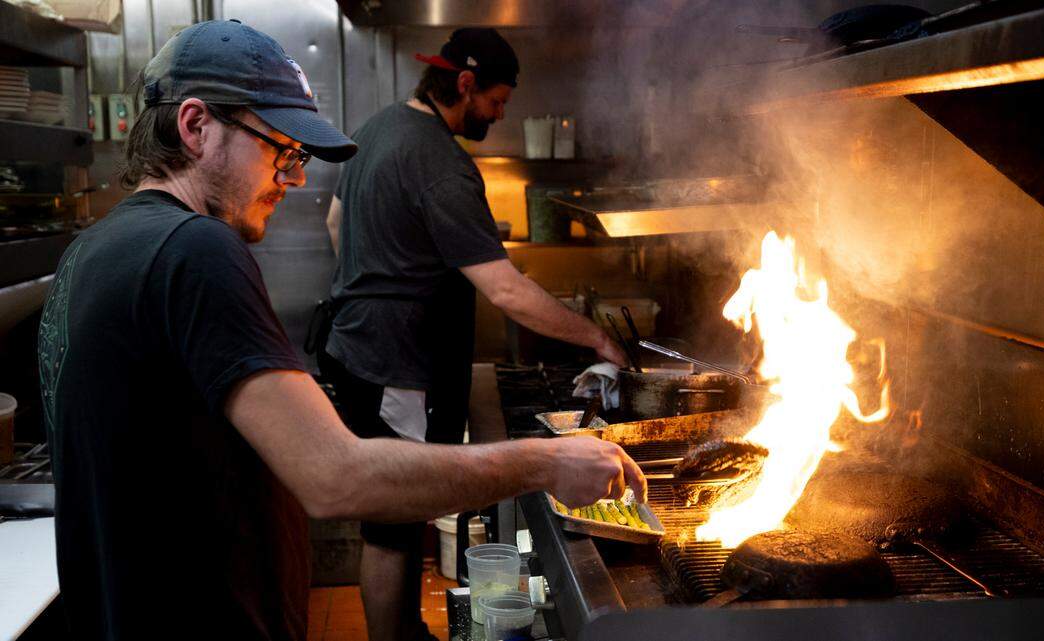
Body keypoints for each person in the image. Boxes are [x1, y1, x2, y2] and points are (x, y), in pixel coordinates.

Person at [37, 20, 646, 640]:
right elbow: (336, 477)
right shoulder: (196, 252)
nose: (296, 177)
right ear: (195, 126)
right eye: (282, 150)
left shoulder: (89, 254)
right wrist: (547, 461)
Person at [321, 28, 627, 641]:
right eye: (497, 99)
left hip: (359, 348)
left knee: (397, 511)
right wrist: (598, 340)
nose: (499, 112)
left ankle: (404, 629)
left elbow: (336, 222)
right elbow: (507, 290)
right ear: (465, 84)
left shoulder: (378, 127)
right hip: (394, 367)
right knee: (392, 521)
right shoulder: (440, 160)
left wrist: (380, 278)